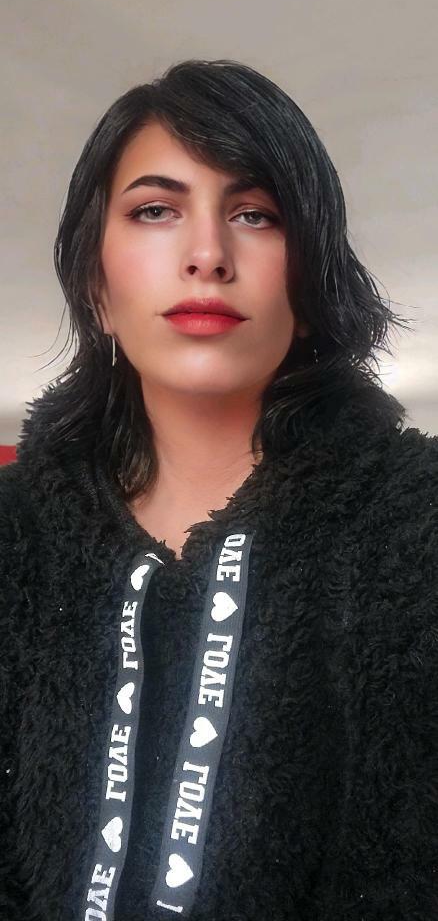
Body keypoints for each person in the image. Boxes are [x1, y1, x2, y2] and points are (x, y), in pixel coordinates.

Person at [1, 58, 437, 921]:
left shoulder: (416, 526)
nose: (208, 255)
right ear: (95, 283)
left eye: (255, 214)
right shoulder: (15, 537)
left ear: (310, 282)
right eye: (155, 210)